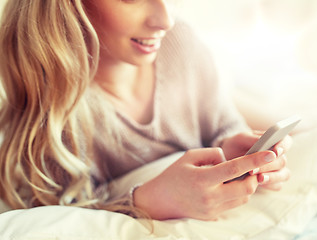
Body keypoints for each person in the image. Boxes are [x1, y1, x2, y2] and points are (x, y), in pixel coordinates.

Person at [0, 0, 291, 220]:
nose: (165, 20)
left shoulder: (180, 44)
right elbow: (57, 220)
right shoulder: (52, 106)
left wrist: (235, 148)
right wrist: (148, 201)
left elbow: (222, 126)